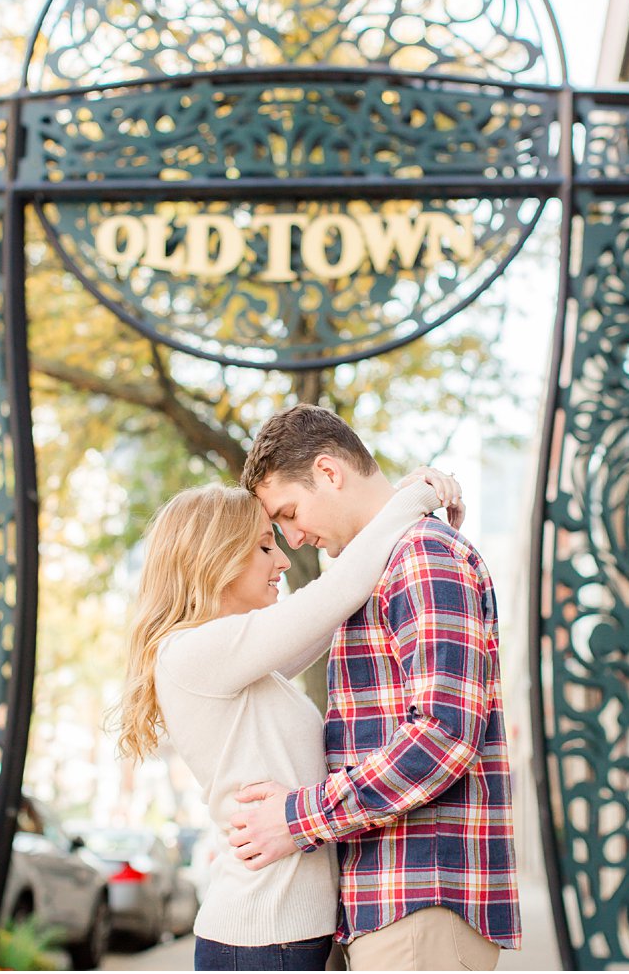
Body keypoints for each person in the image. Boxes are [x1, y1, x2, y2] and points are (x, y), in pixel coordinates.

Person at [114, 467, 460, 971]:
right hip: (262, 938)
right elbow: (331, 598)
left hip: (290, 934)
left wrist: (383, 506)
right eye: (263, 547)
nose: (282, 559)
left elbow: (332, 614)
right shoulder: (193, 653)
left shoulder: (240, 664)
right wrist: (412, 500)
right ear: (215, 559)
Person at [226, 404, 520, 971]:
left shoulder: (424, 557)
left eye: (289, 512)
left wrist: (297, 818)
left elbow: (442, 735)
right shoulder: (380, 566)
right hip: (393, 901)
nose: (292, 538)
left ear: (329, 472)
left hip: (422, 899)